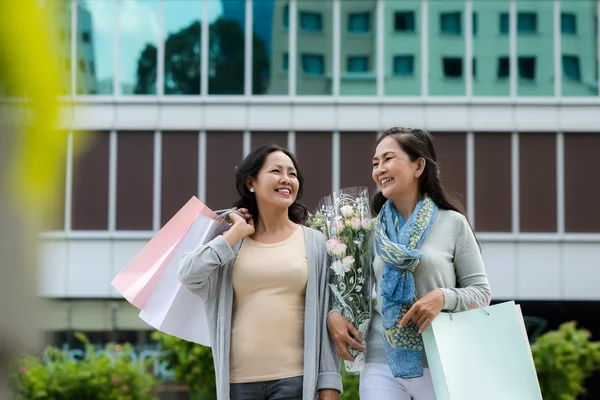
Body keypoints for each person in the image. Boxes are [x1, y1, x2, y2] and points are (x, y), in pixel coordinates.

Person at [327, 127, 492, 400]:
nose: (380, 169)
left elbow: (481, 293)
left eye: (388, 159)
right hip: (380, 362)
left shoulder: (452, 224)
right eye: (375, 163)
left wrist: (442, 296)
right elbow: (353, 293)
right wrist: (335, 313)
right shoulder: (368, 231)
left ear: (419, 166)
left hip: (441, 360)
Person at [179, 145, 342, 400]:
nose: (286, 179)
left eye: (292, 173)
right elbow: (188, 274)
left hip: (297, 382)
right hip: (238, 384)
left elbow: (327, 315)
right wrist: (233, 234)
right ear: (251, 182)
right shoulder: (232, 240)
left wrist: (330, 383)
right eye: (276, 171)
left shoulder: (316, 242)